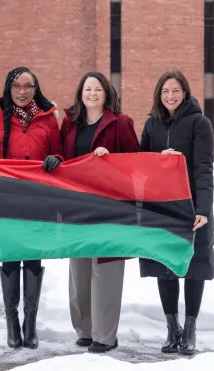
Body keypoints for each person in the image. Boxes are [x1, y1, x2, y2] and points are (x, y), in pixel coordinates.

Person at [0, 66, 63, 349]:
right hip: (4, 197)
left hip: (38, 197)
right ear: (8, 88)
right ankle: (12, 324)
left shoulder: (49, 119)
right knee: (11, 256)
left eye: (28, 86)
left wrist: (56, 158)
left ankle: (30, 324)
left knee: (33, 257)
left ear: (36, 89)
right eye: (16, 86)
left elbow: (60, 151)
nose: (22, 91)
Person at [60, 71, 139, 353]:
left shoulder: (121, 123)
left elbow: (134, 163)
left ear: (106, 94)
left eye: (97, 89)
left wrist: (112, 159)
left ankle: (105, 336)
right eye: (87, 89)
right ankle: (84, 329)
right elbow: (61, 157)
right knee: (79, 269)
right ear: (80, 93)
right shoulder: (69, 123)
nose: (91, 93)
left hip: (111, 207)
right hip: (77, 205)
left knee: (105, 270)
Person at [139, 70, 214, 355]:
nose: (170, 96)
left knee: (194, 264)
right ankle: (172, 328)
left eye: (175, 90)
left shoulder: (199, 123)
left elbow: (203, 168)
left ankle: (190, 329)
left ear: (185, 92)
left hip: (192, 207)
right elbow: (140, 163)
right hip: (162, 207)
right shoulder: (151, 125)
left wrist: (203, 209)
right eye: (165, 91)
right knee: (165, 266)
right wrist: (159, 159)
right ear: (159, 95)